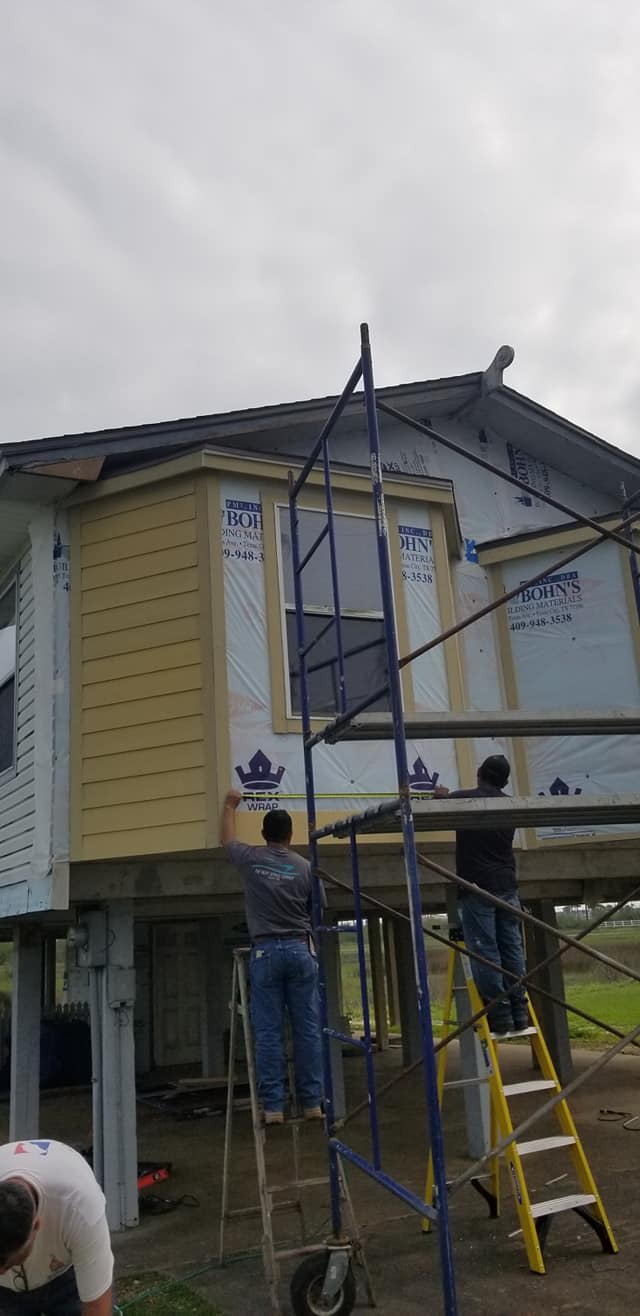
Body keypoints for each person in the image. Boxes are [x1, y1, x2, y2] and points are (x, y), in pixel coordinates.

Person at [222, 789, 324, 1125]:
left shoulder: (251, 859)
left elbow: (227, 842)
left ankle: (274, 1107)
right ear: (290, 835)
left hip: (265, 951)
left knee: (268, 1032)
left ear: (265, 834)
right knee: (307, 1029)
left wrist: (229, 806)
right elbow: (318, 909)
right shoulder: (306, 868)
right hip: (299, 949)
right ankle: (311, 1103)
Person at [435, 754, 528, 1036]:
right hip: (507, 886)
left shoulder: (467, 799)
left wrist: (442, 795)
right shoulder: (509, 805)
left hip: (477, 888)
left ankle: (499, 1016)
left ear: (479, 773)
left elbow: (443, 801)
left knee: (486, 951)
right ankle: (519, 1012)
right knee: (511, 947)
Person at [0, 1138, 113, 1316]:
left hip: (64, 1278)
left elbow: (96, 1307)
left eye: (6, 1265)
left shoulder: (80, 1208)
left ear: (36, 1225)